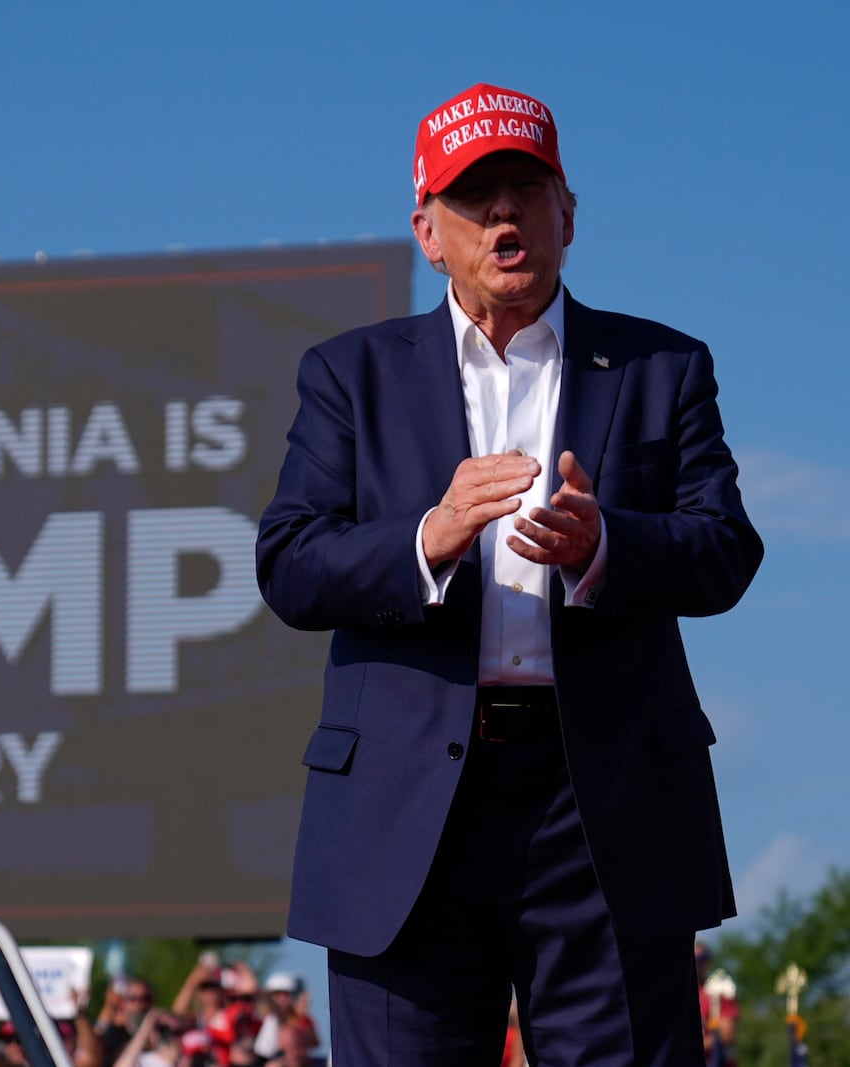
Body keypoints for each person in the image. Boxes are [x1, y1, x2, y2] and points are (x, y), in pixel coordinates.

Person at [257, 80, 763, 1066]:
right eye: (472, 196)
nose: (501, 215)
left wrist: (606, 543)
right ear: (426, 230)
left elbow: (724, 549)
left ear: (566, 214)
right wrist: (428, 536)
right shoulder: (347, 374)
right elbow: (291, 564)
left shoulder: (663, 367)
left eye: (523, 189)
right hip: (404, 815)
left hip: (604, 807)